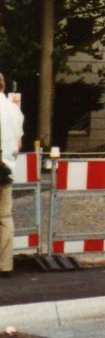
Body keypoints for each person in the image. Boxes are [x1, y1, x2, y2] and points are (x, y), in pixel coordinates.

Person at [0, 72, 25, 278]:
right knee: (5, 217)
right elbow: (19, 144)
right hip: (6, 170)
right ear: (4, 85)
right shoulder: (15, 110)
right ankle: (5, 264)